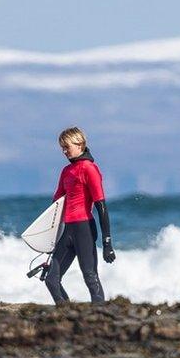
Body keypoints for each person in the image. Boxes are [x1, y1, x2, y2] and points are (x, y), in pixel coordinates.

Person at [44, 126, 115, 305]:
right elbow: (56, 205)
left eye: (67, 147)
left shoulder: (89, 169)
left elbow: (101, 206)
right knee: (51, 279)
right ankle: (66, 316)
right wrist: (47, 235)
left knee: (90, 276)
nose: (64, 151)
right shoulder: (66, 171)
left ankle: (100, 315)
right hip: (67, 230)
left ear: (79, 144)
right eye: (62, 148)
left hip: (84, 229)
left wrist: (107, 242)